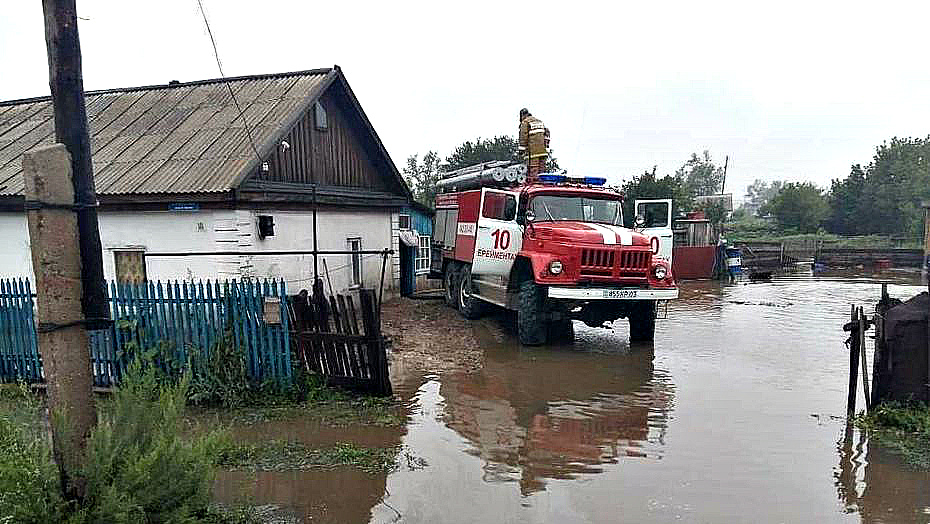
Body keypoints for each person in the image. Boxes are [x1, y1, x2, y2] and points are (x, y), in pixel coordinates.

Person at [518, 108, 549, 177]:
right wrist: (546, 146)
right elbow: (547, 133)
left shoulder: (525, 122)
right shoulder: (539, 121)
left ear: (522, 115)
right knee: (542, 171)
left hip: (532, 152)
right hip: (543, 152)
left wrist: (521, 150)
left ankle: (534, 185)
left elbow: (523, 136)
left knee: (533, 170)